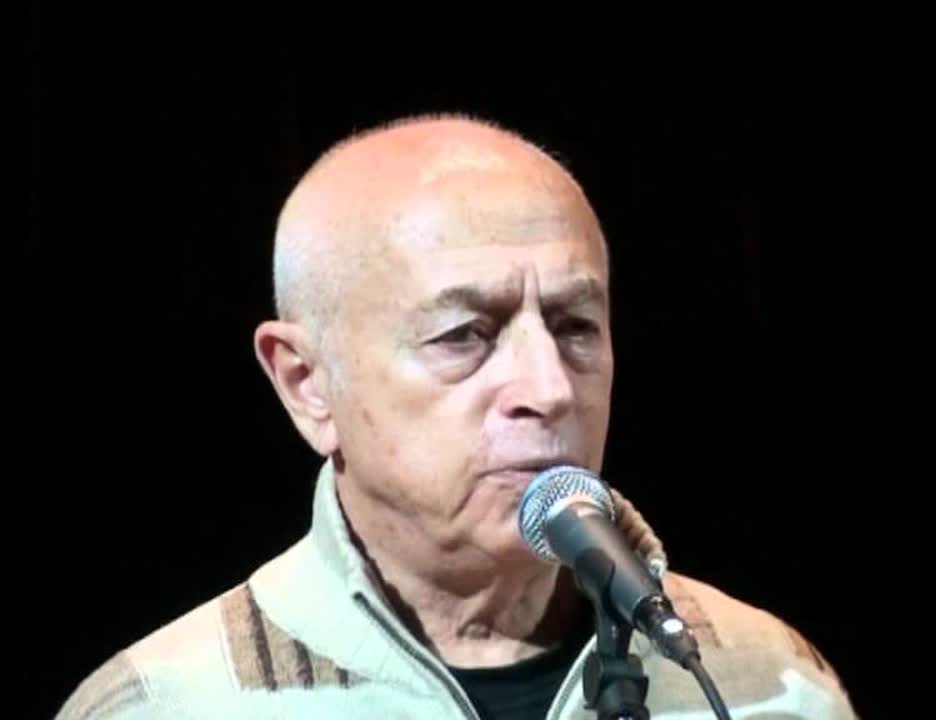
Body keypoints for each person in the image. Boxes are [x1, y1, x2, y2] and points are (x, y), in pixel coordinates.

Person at [56, 114, 858, 719]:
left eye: (576, 327)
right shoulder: (169, 703)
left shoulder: (769, 683)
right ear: (306, 384)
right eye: (464, 335)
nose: (548, 387)